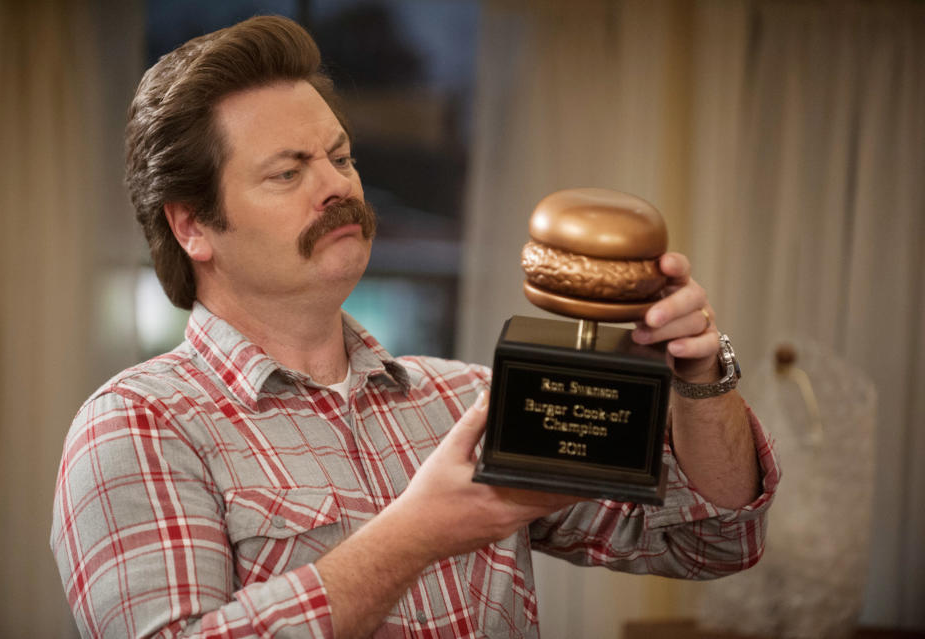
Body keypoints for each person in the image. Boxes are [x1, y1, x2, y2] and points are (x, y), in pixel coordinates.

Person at [50, 15, 779, 639]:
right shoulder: (137, 426)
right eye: (288, 171)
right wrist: (417, 531)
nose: (338, 184)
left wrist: (700, 378)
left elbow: (712, 540)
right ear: (192, 226)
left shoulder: (472, 402)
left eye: (340, 156)